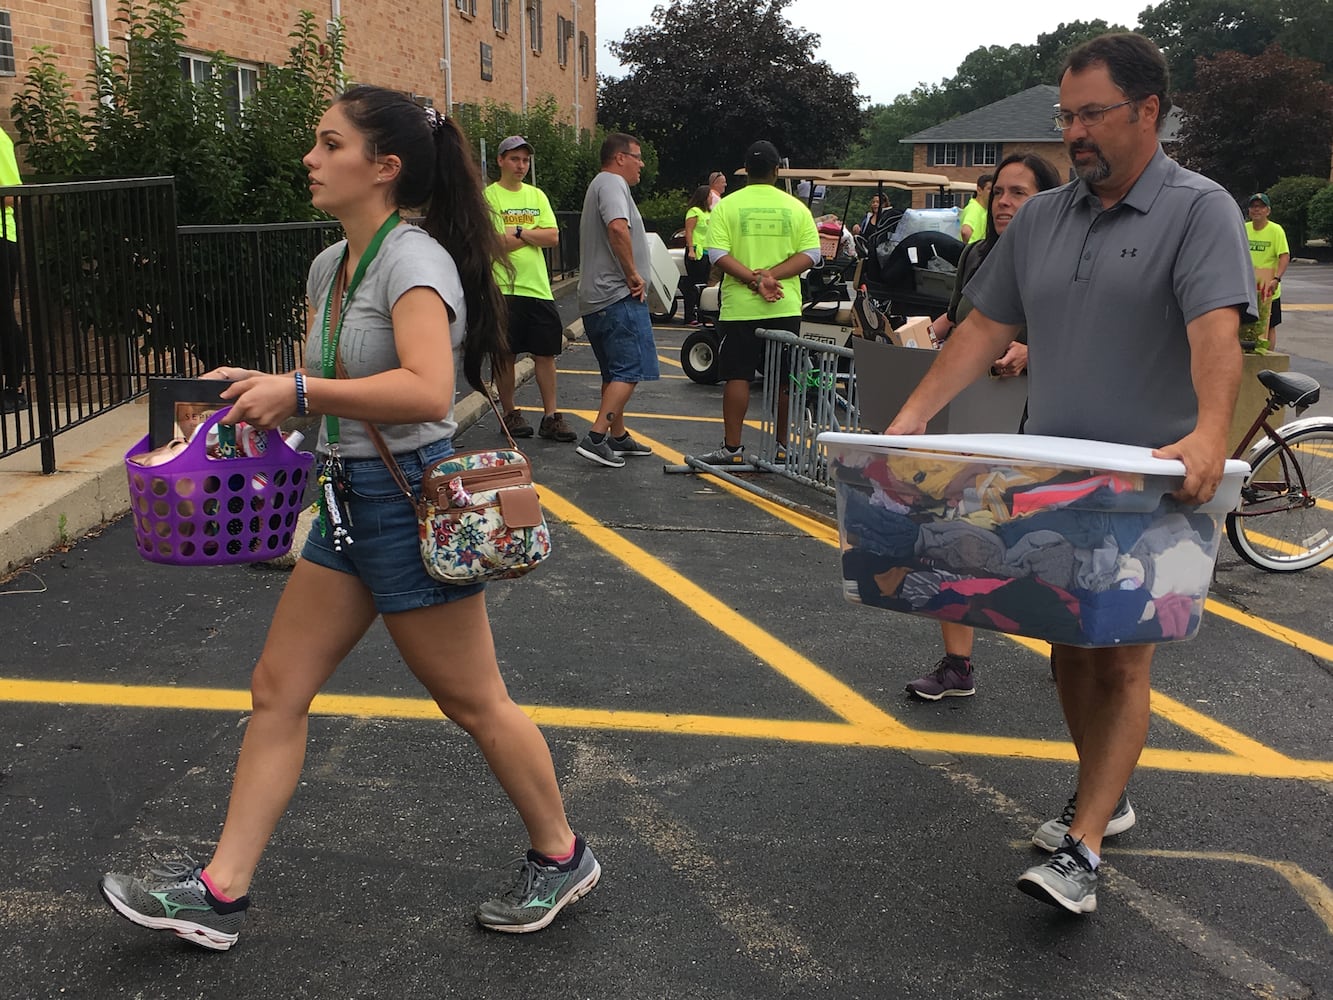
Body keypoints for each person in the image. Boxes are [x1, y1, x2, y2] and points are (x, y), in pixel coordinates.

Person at [98, 86, 600, 949]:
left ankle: (561, 854)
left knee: (474, 700)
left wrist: (294, 390)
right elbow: (325, 397)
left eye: (329, 143)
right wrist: (243, 398)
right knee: (277, 689)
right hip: (345, 498)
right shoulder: (332, 265)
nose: (310, 157)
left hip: (408, 500)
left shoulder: (416, 262)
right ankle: (219, 891)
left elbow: (423, 390)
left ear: (384, 167)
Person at [886, 33, 1254, 915]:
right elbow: (980, 329)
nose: (1074, 132)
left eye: (1091, 115)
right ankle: (1105, 787)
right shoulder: (1045, 218)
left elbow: (1217, 335)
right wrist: (912, 416)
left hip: (1148, 485)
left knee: (1123, 660)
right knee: (1070, 649)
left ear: (1148, 111)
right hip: (1053, 478)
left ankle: (1083, 845)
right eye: (1066, 116)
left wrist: (1207, 434)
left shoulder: (1200, 212)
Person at [905, 152, 1062, 702]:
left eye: (1019, 192)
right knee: (959, 534)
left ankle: (1069, 655)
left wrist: (1032, 351)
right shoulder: (977, 253)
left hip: (1039, 423)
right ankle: (957, 666)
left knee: (1041, 543)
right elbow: (965, 322)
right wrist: (921, 332)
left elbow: (1086, 337)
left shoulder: (1064, 255)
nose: (1004, 202)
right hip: (973, 416)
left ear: (1048, 200)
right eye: (999, 191)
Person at [696, 139, 820, 466]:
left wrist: (754, 279)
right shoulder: (796, 207)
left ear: (746, 171)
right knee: (783, 379)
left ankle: (732, 448)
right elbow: (811, 254)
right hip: (784, 304)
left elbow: (718, 254)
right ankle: (782, 447)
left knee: (737, 374)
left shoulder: (727, 206)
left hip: (740, 307)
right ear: (777, 171)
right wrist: (772, 276)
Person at [484, 135, 577, 443]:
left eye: (525, 160)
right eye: (514, 159)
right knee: (505, 354)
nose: (521, 165)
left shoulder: (537, 196)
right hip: (504, 288)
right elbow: (495, 243)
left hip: (538, 288)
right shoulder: (490, 198)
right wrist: (531, 234)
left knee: (546, 353)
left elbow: (552, 237)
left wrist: (520, 231)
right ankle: (510, 413)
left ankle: (551, 417)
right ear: (500, 161)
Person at [573, 132, 658, 468]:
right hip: (617, 295)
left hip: (598, 297)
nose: (642, 164)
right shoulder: (611, 182)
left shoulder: (602, 184)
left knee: (613, 372)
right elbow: (617, 228)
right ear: (620, 157)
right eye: (637, 157)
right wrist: (632, 274)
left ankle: (617, 436)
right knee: (630, 368)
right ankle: (595, 437)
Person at [0, 126, 27, 414]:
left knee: (3, 314)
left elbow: (12, 195)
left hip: (0, 238)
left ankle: (15, 388)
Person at [1244, 192, 1290, 350]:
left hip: (1268, 287)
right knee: (1245, 322)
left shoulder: (1276, 230)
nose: (1257, 210)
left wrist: (1277, 278)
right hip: (1247, 285)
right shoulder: (1244, 229)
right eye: (1253, 207)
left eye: (1261, 207)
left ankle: (1269, 358)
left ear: (1268, 211)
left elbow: (1284, 256)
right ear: (1249, 211)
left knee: (1268, 324)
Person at [682, 184, 712, 327]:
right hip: (696, 251)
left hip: (707, 252)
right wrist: (691, 249)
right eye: (710, 196)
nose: (712, 198)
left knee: (705, 284)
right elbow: (689, 231)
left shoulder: (709, 213)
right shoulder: (694, 211)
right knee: (694, 284)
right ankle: (689, 315)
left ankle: (703, 314)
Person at [958, 173, 993, 244]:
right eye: (989, 189)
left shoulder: (983, 209)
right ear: (979, 190)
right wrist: (969, 249)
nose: (992, 193)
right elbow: (965, 232)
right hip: (974, 252)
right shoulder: (974, 208)